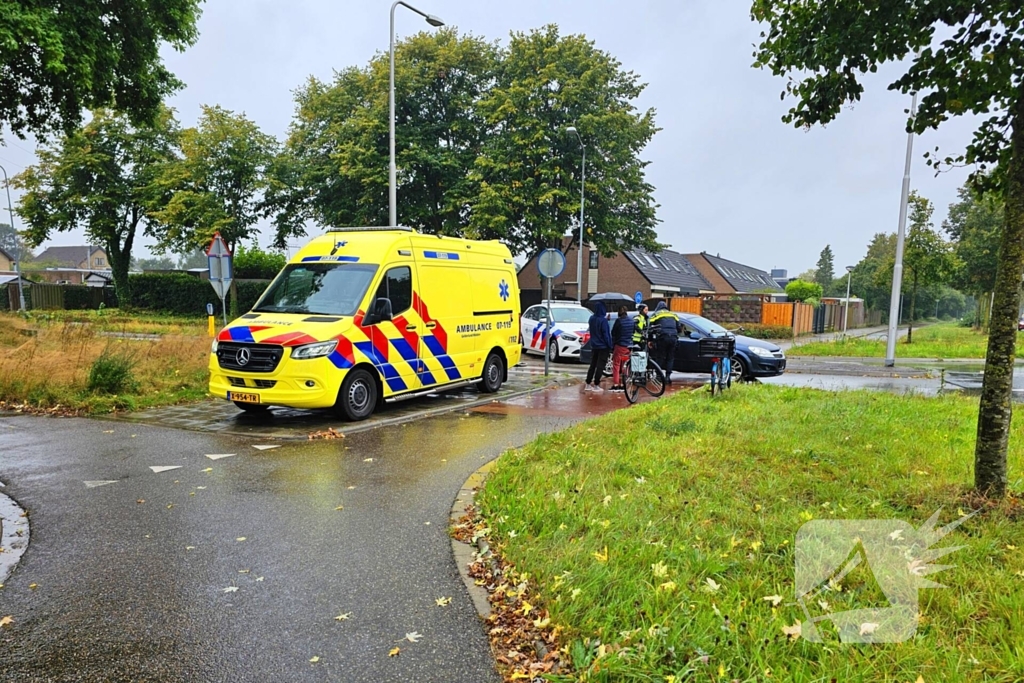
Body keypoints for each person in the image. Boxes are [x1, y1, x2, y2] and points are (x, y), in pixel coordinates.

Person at [649, 301, 682, 383]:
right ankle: (668, 377)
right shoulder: (673, 314)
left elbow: (650, 328)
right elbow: (679, 328)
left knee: (660, 357)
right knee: (670, 358)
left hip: (662, 337)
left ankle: (658, 376)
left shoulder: (656, 314)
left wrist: (650, 340)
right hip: (673, 338)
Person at [585, 301, 613, 391]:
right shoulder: (603, 321)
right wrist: (610, 345)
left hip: (594, 345)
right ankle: (596, 384)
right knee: (600, 366)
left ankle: (588, 383)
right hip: (603, 346)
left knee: (593, 364)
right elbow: (606, 335)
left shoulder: (591, 318)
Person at [609, 306, 635, 391]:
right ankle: (624, 383)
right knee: (625, 365)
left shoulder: (619, 321)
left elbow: (613, 333)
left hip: (620, 345)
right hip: (628, 346)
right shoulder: (631, 321)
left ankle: (616, 384)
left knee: (616, 365)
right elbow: (633, 332)